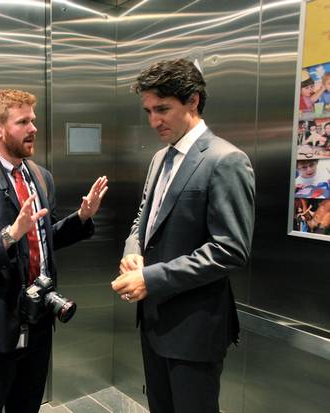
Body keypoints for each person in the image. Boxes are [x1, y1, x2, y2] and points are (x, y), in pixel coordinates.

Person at [0, 89, 108, 413]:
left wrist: (81, 218)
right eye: (23, 122)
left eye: (33, 120)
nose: (34, 128)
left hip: (39, 322)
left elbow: (44, 240)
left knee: (28, 406)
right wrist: (9, 236)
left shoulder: (40, 176)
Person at [111, 59, 255, 413]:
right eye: (148, 111)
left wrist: (152, 278)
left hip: (194, 328)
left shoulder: (226, 160)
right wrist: (134, 250)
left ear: (192, 100)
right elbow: (143, 218)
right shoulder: (160, 158)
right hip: (154, 321)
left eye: (163, 109)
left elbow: (230, 249)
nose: (153, 121)